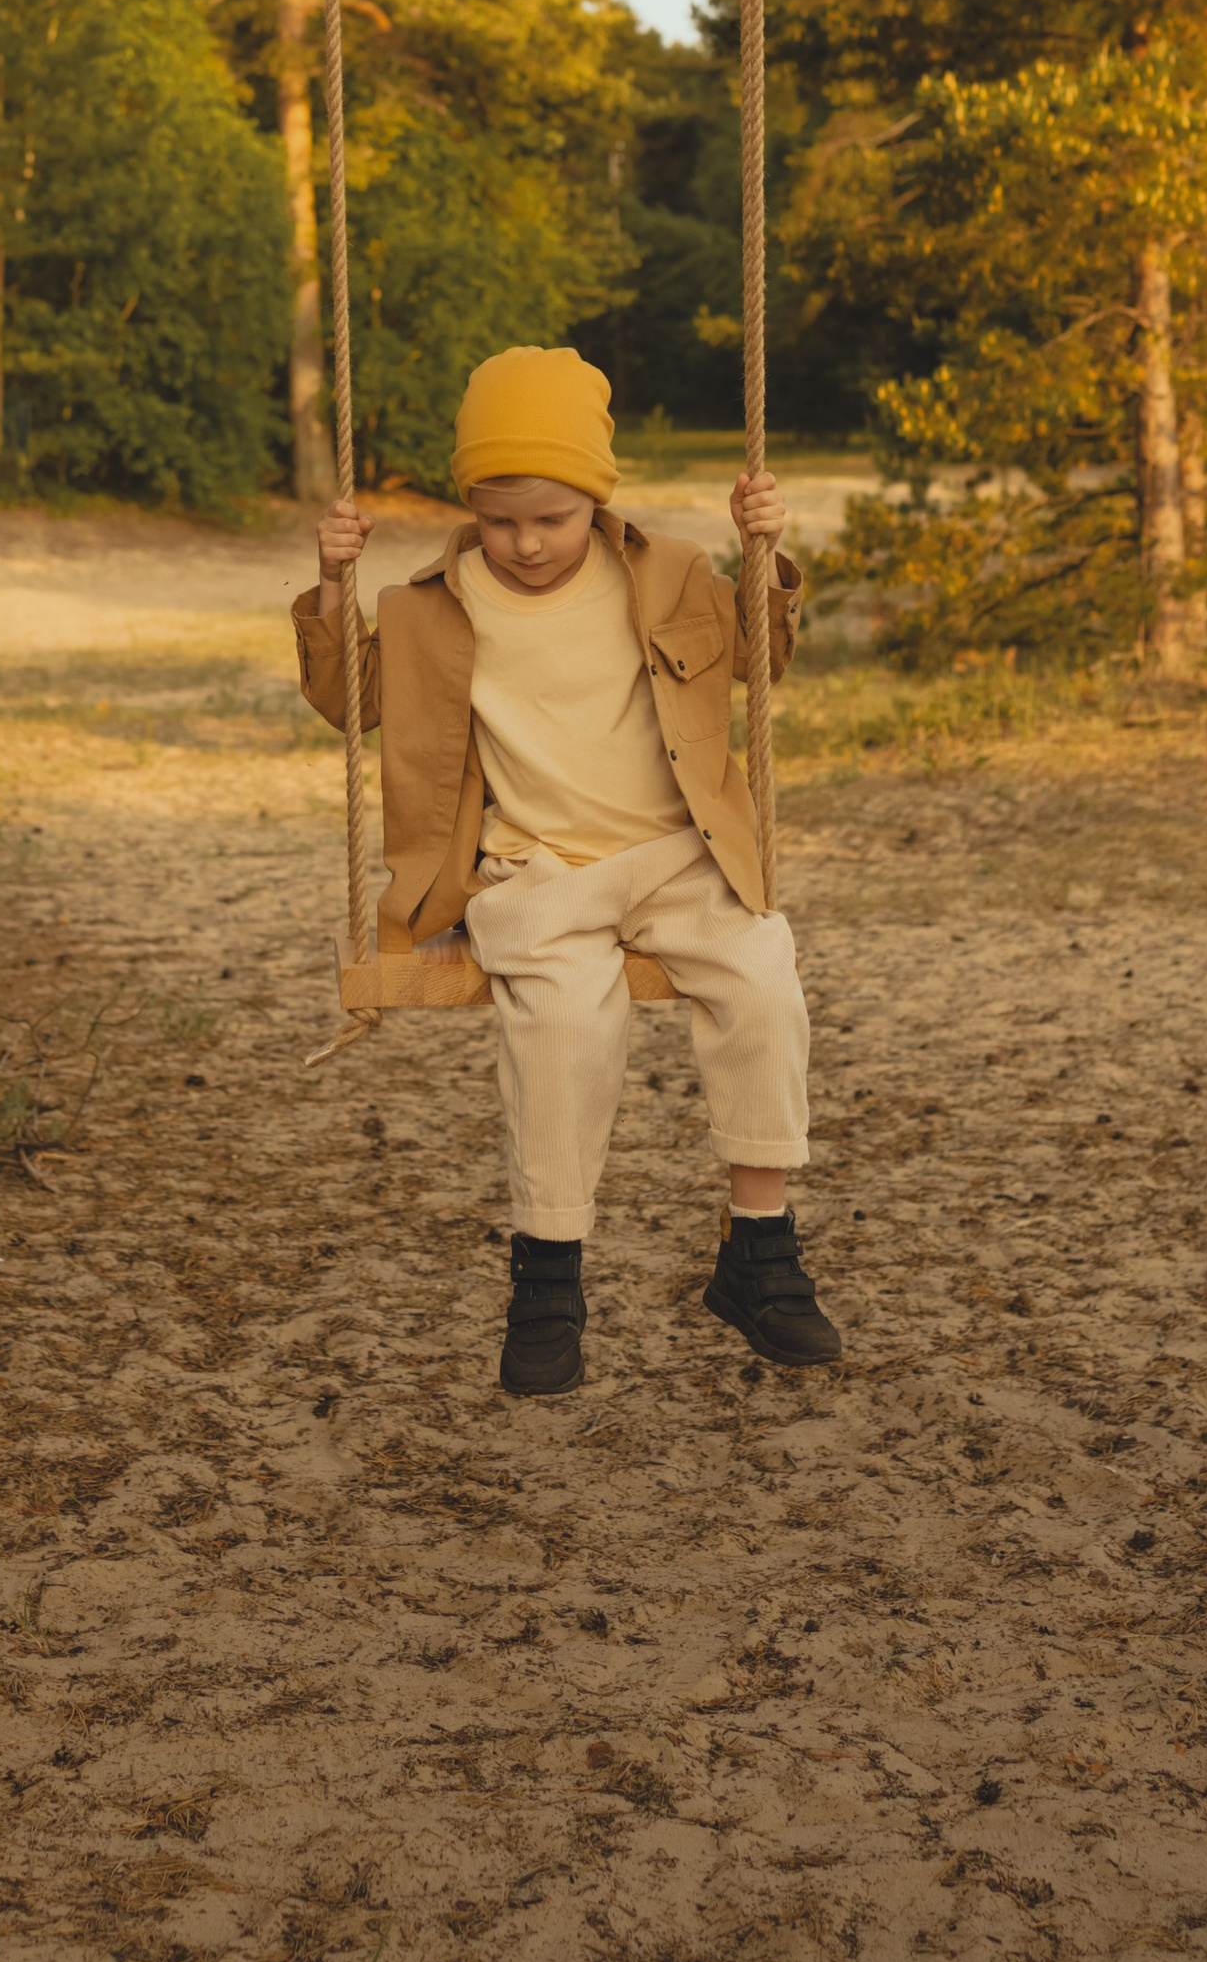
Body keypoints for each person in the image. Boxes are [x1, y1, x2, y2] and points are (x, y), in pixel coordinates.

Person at [293, 342, 841, 1398]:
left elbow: (758, 662)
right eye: (500, 520)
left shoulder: (670, 570)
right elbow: (348, 702)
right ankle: (548, 1276)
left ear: (595, 497)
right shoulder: (431, 605)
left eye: (552, 517)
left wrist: (761, 557)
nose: (527, 543)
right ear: (470, 507)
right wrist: (330, 582)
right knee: (558, 1029)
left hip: (680, 855)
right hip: (537, 872)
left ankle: (759, 1250)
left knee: (763, 978)